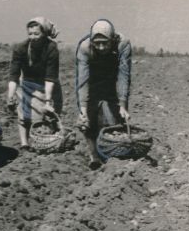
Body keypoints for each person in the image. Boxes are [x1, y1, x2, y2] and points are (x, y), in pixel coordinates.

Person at [75, 19, 132, 169]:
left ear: (112, 39)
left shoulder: (123, 45)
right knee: (87, 120)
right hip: (92, 80)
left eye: (105, 43)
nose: (100, 47)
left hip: (111, 80)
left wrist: (122, 105)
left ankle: (113, 154)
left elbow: (123, 76)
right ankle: (93, 155)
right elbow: (82, 81)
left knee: (115, 119)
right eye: (97, 43)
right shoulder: (85, 47)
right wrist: (82, 109)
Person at [7, 17, 62, 151]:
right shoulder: (21, 48)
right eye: (30, 34)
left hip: (47, 84)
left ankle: (48, 142)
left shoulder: (51, 48)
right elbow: (14, 75)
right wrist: (11, 95)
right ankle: (24, 143)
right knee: (23, 114)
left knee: (48, 114)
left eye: (36, 34)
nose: (33, 37)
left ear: (44, 34)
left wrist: (48, 101)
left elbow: (50, 77)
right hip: (27, 83)